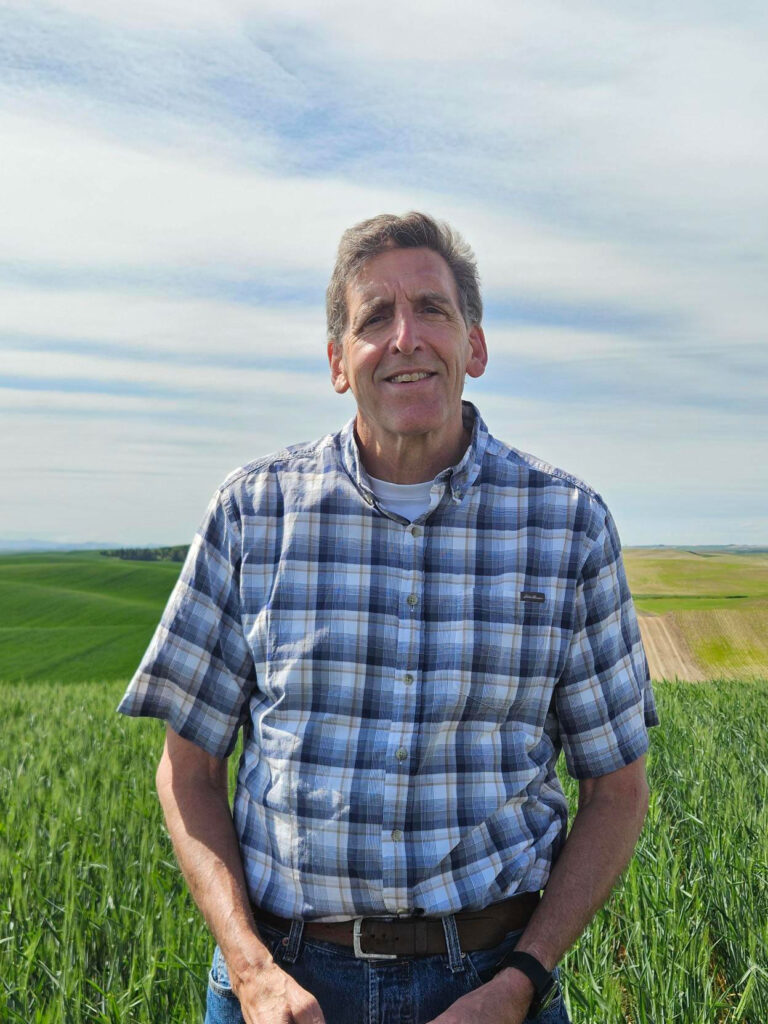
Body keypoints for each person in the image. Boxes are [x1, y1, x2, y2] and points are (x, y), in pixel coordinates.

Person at [118, 211, 658, 1024]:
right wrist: (253, 972)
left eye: (433, 310)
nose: (406, 337)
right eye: (375, 317)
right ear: (339, 362)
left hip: (489, 986)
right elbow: (186, 771)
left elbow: (617, 789)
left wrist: (519, 984)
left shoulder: (567, 525)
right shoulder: (253, 515)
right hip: (285, 989)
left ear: (474, 346)